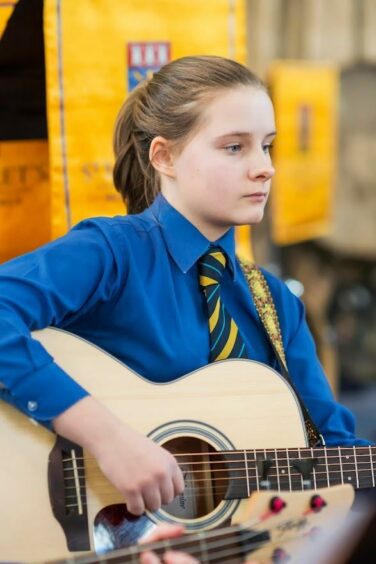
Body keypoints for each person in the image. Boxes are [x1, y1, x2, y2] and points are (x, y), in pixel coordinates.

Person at [0, 55, 372, 527]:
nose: (265, 168)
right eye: (235, 147)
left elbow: (336, 451)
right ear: (164, 156)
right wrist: (108, 439)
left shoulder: (277, 305)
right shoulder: (112, 253)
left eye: (268, 146)